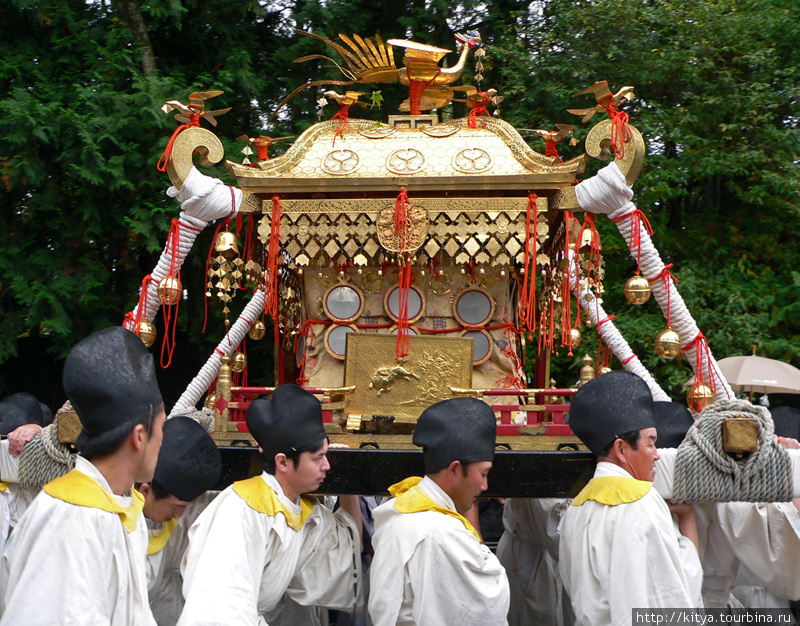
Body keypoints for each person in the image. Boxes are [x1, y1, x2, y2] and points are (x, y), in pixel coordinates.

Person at [1, 326, 165, 625]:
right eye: (162, 427)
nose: (163, 440)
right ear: (139, 437)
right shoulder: (74, 522)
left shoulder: (121, 506)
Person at [178, 383, 363, 626]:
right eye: (318, 458)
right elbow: (221, 609)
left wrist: (346, 480)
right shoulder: (241, 510)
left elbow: (349, 546)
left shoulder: (299, 507)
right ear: (283, 462)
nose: (327, 465)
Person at [558, 371, 703, 625]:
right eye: (650, 443)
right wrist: (688, 523)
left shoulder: (577, 506)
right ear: (621, 449)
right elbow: (672, 594)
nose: (657, 455)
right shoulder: (642, 501)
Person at [368, 397, 510, 626]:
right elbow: (485, 606)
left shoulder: (402, 512)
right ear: (455, 469)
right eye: (483, 474)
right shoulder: (441, 533)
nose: (484, 486)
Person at [140, 414, 222, 626]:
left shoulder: (181, 516)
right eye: (177, 507)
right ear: (145, 491)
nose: (179, 516)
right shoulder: (109, 517)